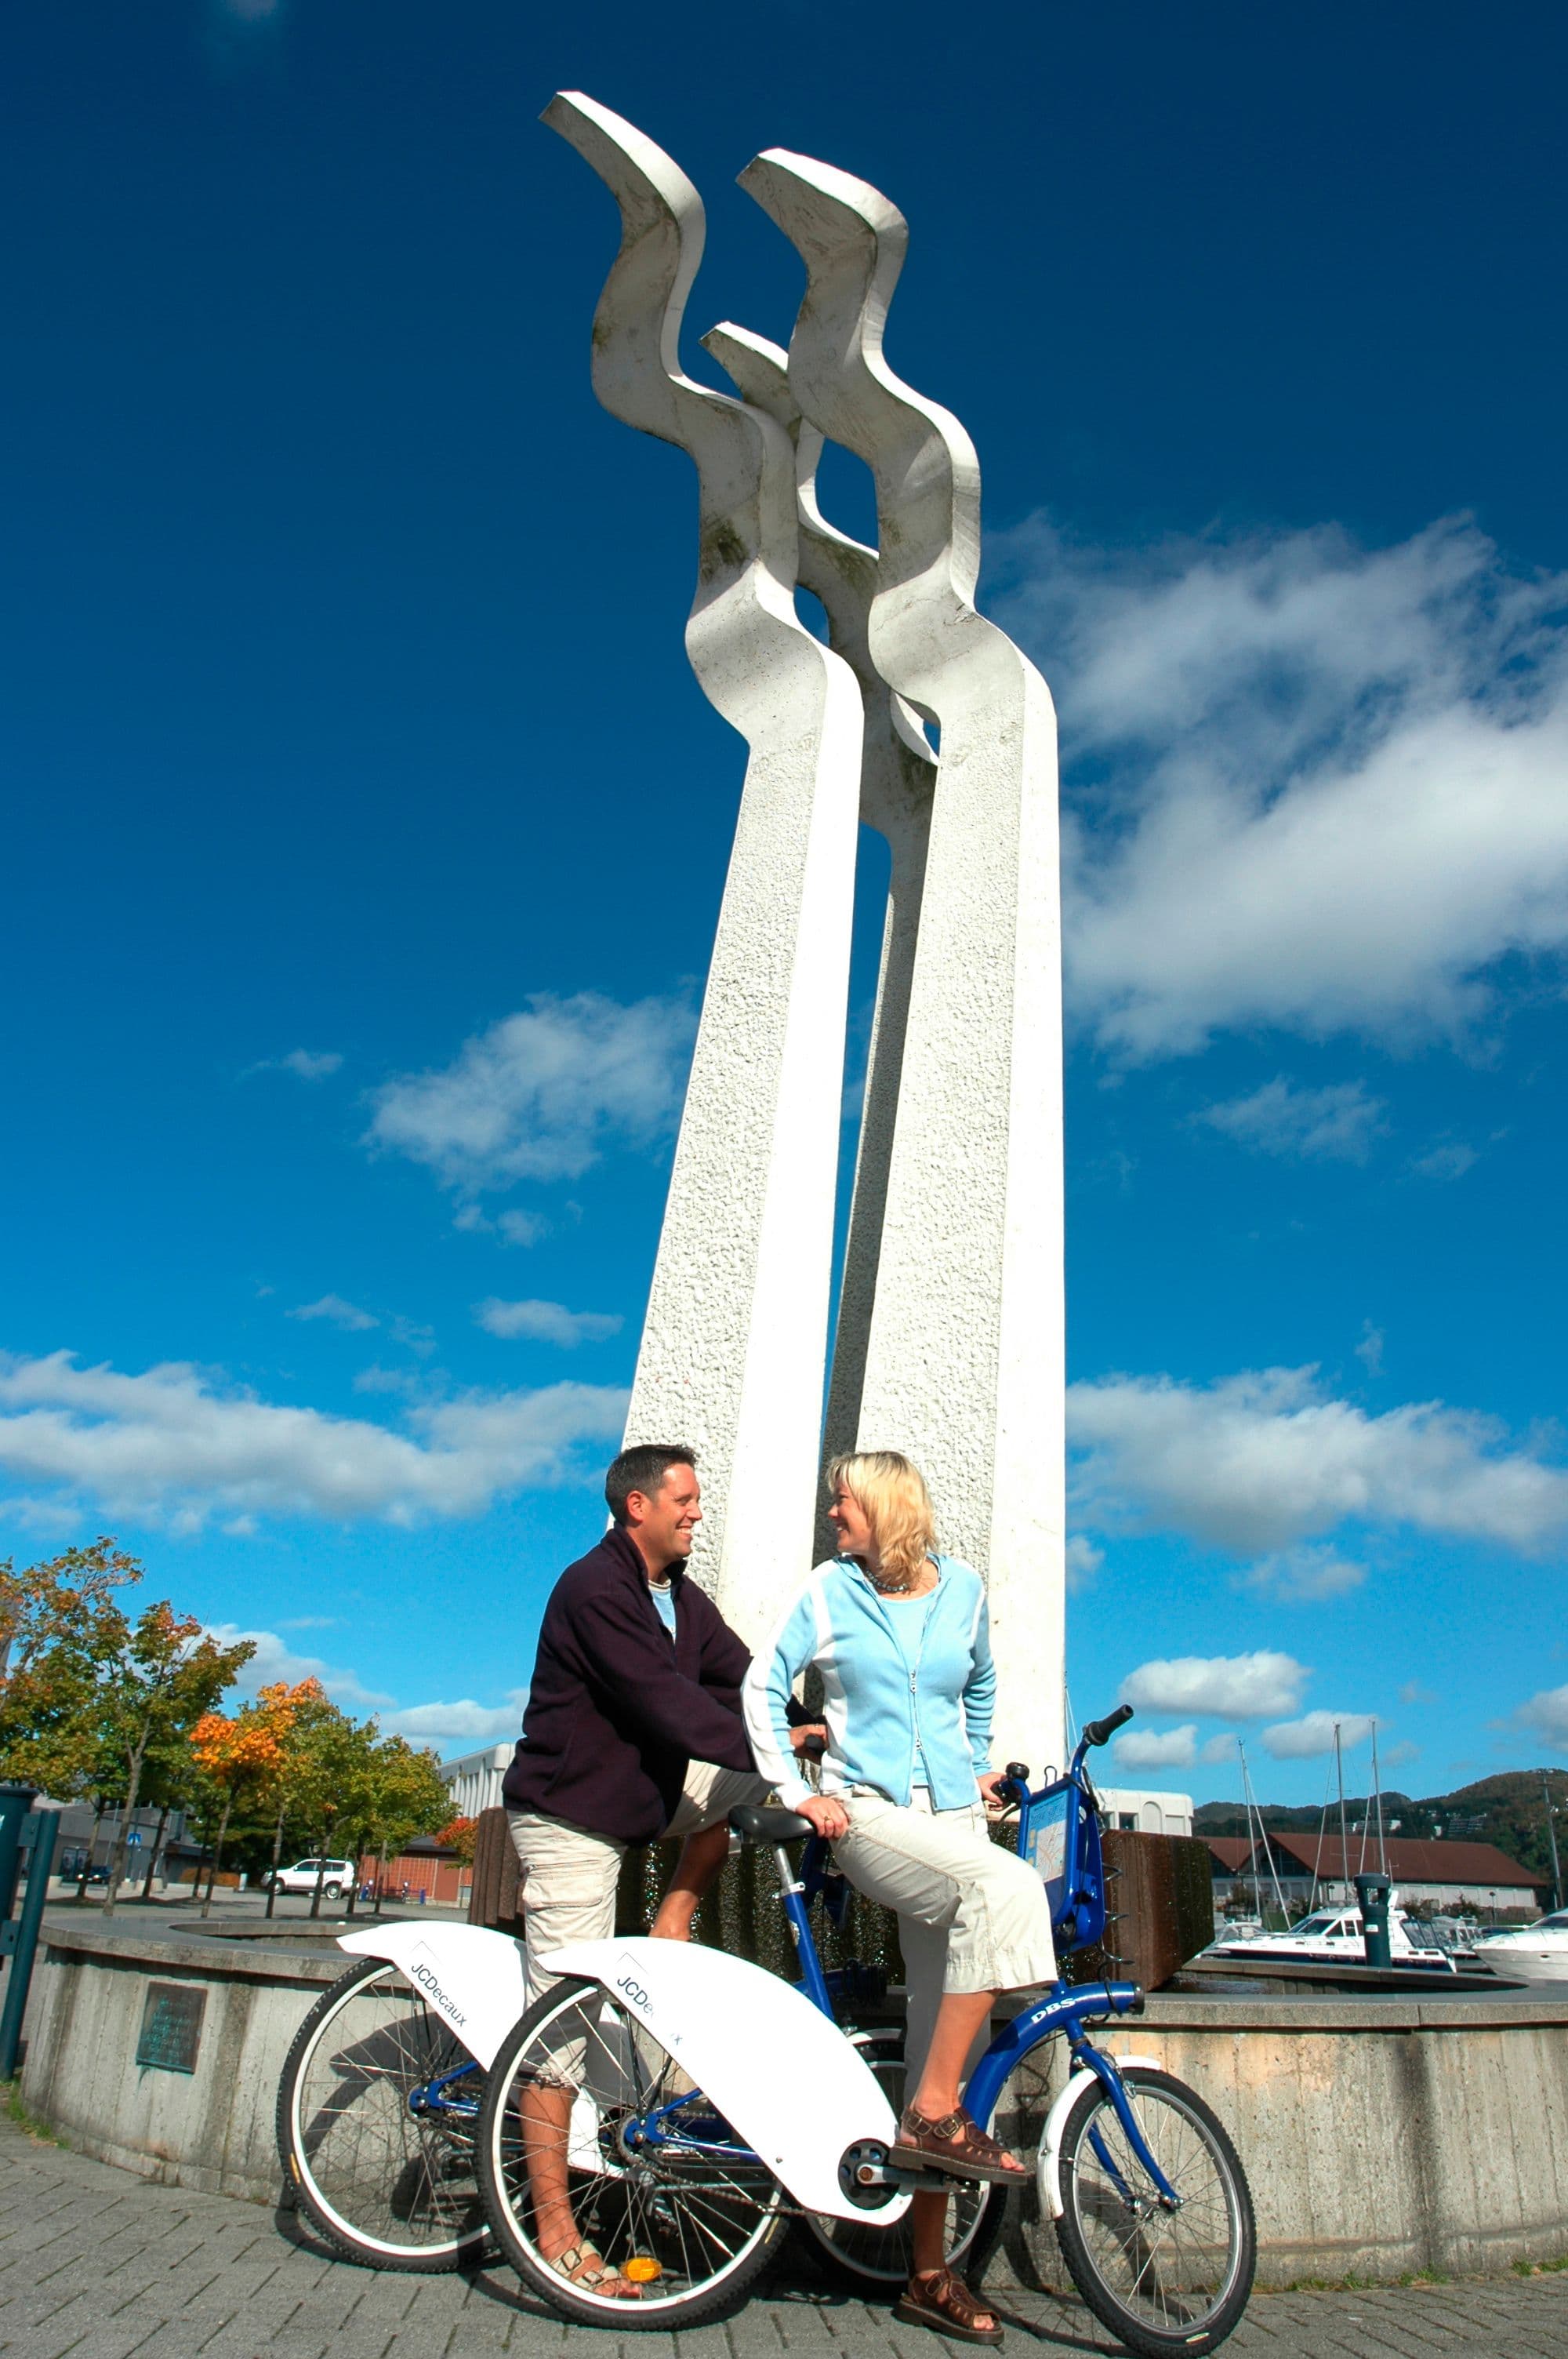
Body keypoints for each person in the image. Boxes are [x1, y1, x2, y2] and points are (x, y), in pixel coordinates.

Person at [744, 1450, 1058, 2346]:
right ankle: (930, 2111)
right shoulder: (828, 1591)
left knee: (942, 2048)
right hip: (870, 1818)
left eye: (841, 1500)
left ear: (884, 1506)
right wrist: (796, 1790)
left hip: (953, 1820)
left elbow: (980, 1679)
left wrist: (977, 1760)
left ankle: (927, 2271)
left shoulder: (962, 1588)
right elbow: (759, 1685)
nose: (831, 1512)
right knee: (1007, 1884)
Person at [503, 1441, 823, 2299]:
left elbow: (743, 1677)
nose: (696, 1512)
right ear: (636, 1506)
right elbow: (670, 1707)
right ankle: (554, 2234)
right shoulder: (594, 1589)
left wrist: (814, 1728)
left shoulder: (678, 1594)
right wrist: (775, 1742)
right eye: (683, 1499)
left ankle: (672, 1915)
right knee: (560, 2028)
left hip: (639, 1799)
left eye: (697, 1499)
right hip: (570, 1816)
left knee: (752, 1783)